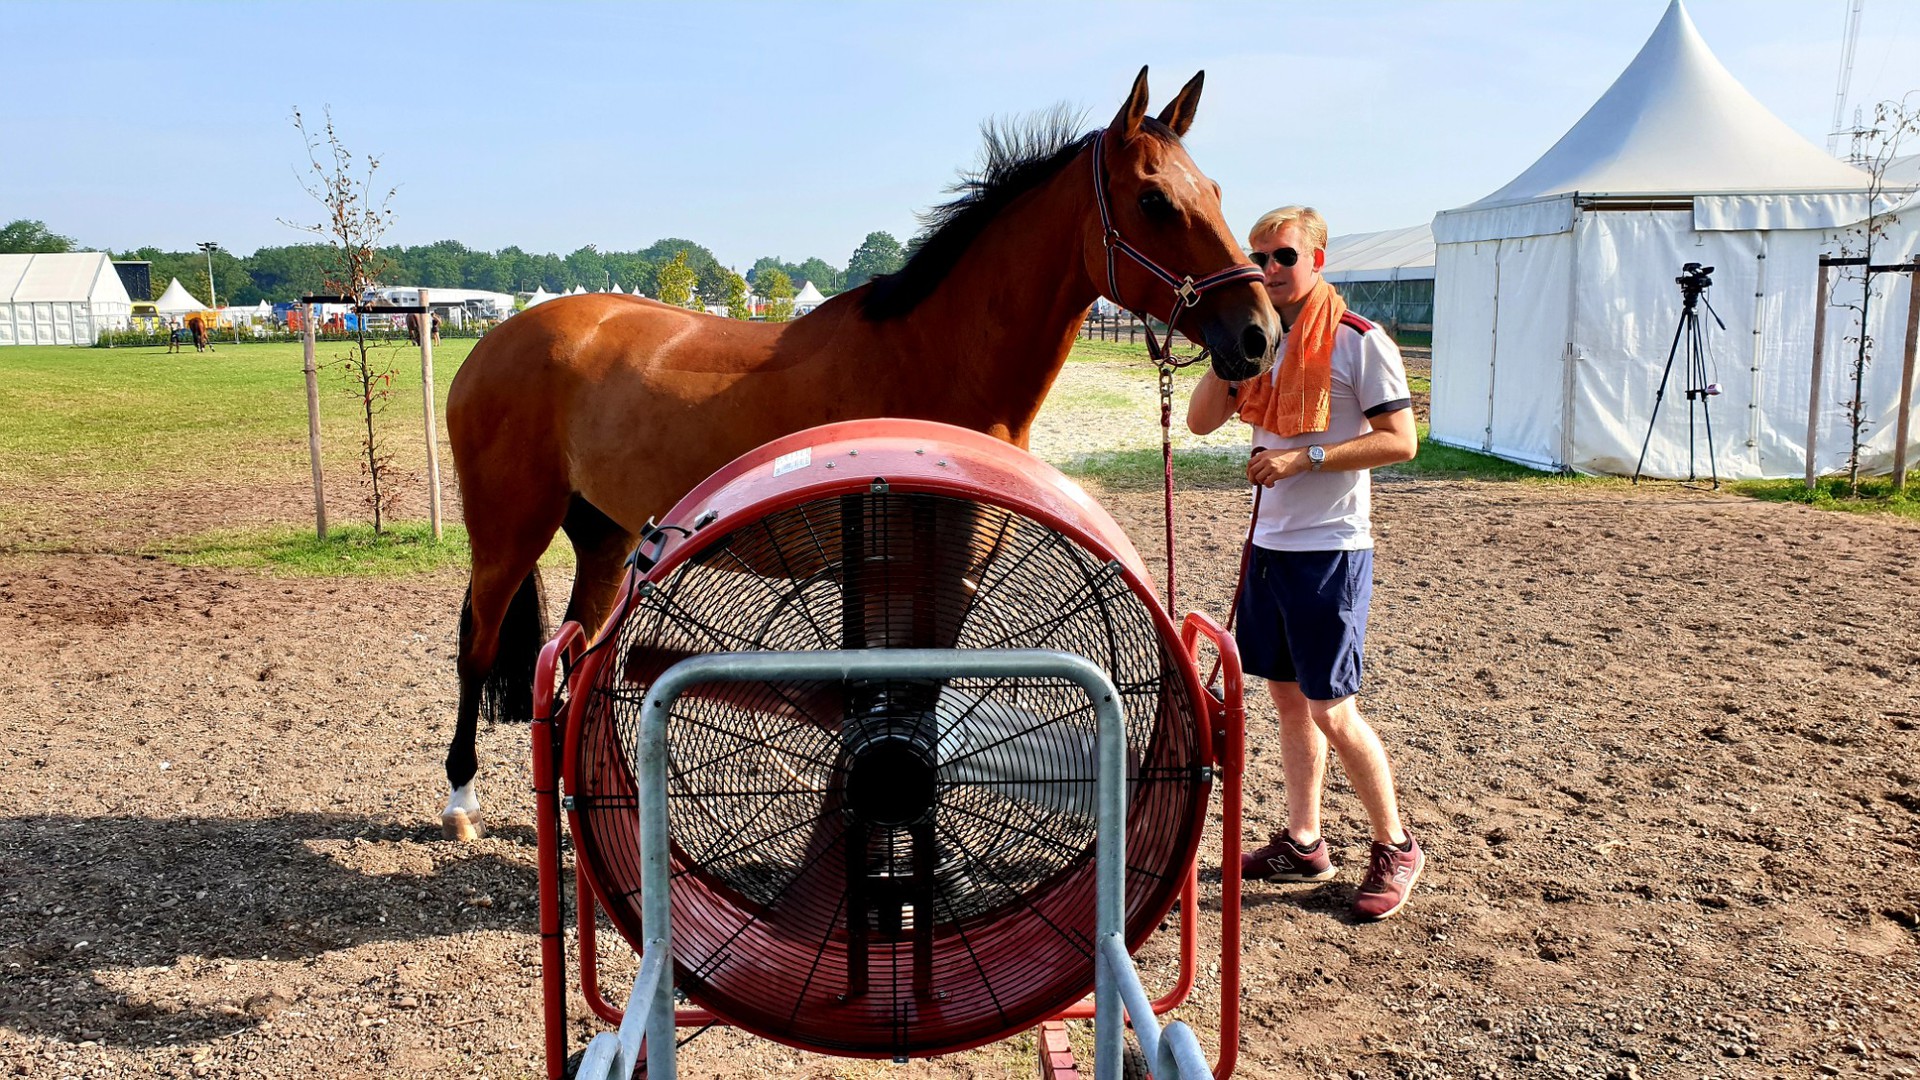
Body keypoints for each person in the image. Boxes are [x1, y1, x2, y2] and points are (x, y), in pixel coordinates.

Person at [1186, 205, 1425, 921]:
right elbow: (1201, 421)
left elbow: (1402, 441)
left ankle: (1397, 843)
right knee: (1288, 702)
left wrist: (1305, 457)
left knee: (1333, 710)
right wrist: (1221, 357)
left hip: (1331, 553)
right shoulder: (1259, 343)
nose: (1271, 269)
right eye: (1259, 257)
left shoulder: (1360, 341)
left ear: (1317, 259)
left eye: (1284, 255)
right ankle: (1304, 840)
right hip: (1271, 550)